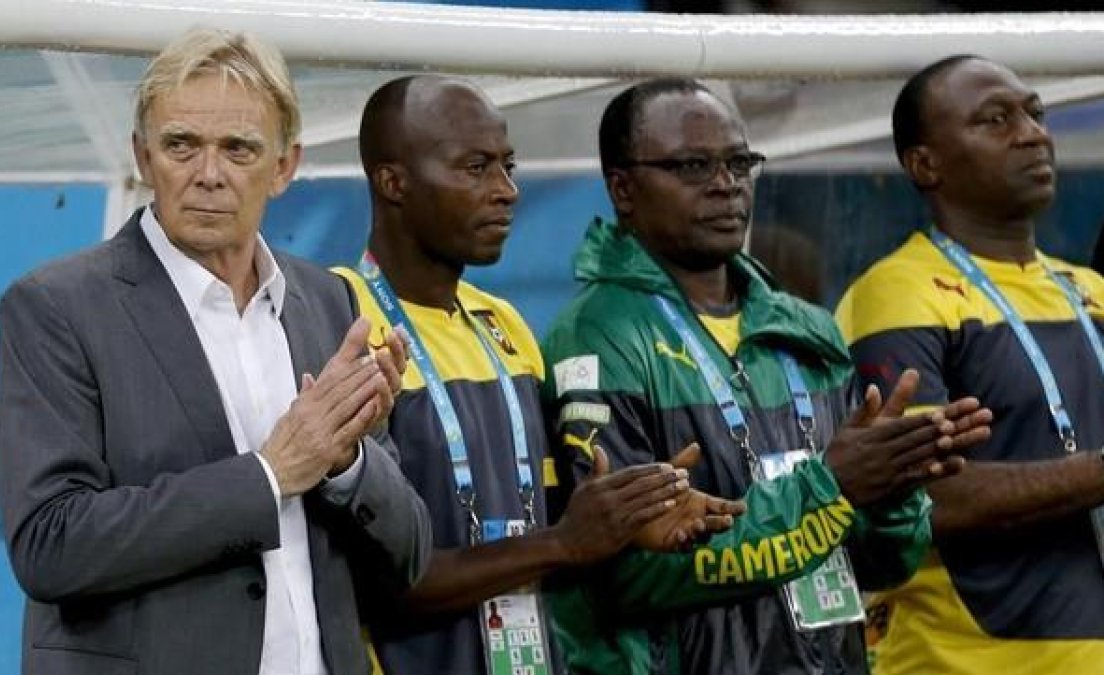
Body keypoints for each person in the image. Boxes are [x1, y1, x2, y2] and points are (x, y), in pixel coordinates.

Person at [0, 28, 431, 675]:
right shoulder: (55, 307)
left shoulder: (330, 302)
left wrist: (348, 463)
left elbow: (412, 554)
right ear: (143, 157)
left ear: (284, 166)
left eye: (238, 149)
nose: (208, 174)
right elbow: (50, 544)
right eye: (181, 145)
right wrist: (271, 473)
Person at [540, 77, 993, 674]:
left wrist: (894, 495)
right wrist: (830, 490)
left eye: (738, 162)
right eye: (693, 165)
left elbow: (880, 564)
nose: (725, 184)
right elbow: (628, 572)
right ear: (623, 188)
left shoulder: (806, 327)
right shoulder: (598, 340)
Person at [335, 75, 745, 675]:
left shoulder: (506, 326)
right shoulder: (338, 319)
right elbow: (382, 579)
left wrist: (627, 520)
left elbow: (549, 523)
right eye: (475, 168)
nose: (506, 191)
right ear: (393, 182)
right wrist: (562, 544)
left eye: (509, 166)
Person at [836, 55, 1104, 675]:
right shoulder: (898, 293)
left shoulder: (1088, 287)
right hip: (964, 662)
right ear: (924, 163)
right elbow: (928, 495)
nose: (1033, 132)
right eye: (996, 119)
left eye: (1035, 113)